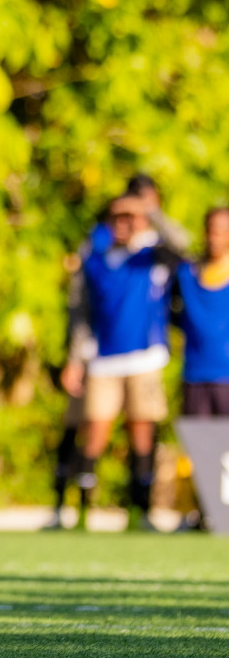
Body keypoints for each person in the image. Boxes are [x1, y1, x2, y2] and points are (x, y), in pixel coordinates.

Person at [61, 194, 184, 531]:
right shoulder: (96, 258)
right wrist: (75, 358)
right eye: (119, 217)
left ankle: (140, 510)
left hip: (144, 358)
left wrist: (151, 211)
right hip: (103, 359)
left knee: (142, 433)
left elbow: (184, 246)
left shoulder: (151, 255)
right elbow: (82, 313)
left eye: (132, 217)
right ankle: (83, 508)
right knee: (96, 431)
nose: (125, 223)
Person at [176, 207, 229, 417]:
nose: (215, 238)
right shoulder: (187, 273)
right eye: (211, 230)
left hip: (226, 377)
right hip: (195, 374)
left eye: (223, 231)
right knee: (200, 446)